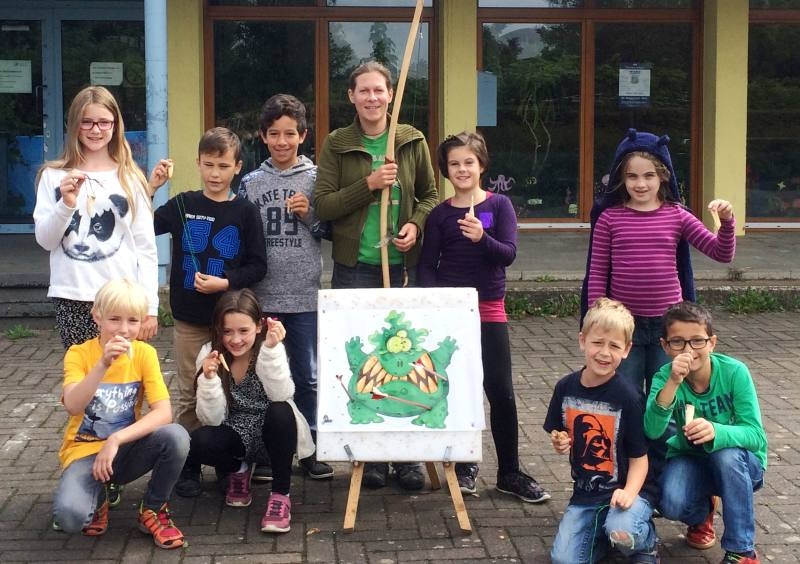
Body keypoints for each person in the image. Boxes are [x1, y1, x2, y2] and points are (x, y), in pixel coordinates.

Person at [313, 61, 439, 491]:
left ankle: (407, 456)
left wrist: (416, 225)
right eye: (363, 91)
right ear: (351, 96)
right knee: (365, 360)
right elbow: (324, 205)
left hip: (402, 268)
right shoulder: (337, 143)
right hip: (355, 268)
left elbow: (430, 195)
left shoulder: (411, 140)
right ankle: (370, 455)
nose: (372, 98)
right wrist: (367, 184)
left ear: (390, 95)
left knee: (406, 358)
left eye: (379, 90)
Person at [418, 131, 549, 503]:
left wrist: (481, 237)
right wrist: (434, 307)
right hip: (451, 315)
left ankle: (510, 471)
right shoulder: (440, 214)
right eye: (454, 164)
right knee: (459, 390)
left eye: (469, 162)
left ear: (482, 166)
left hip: (489, 309)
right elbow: (427, 265)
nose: (462, 169)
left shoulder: (500, 205)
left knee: (500, 390)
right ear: (445, 170)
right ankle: (465, 465)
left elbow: (508, 254)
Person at [582, 128, 736, 395]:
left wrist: (727, 222)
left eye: (649, 175)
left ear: (663, 176)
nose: (640, 184)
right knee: (625, 394)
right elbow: (597, 272)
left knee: (665, 394)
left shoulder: (678, 215)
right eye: (632, 176)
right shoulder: (609, 219)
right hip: (624, 327)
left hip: (670, 327)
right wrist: (597, 316)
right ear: (621, 177)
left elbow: (721, 253)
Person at [51, 278, 189, 549]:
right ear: (97, 316)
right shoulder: (78, 354)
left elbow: (163, 413)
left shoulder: (144, 354)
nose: (124, 330)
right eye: (114, 319)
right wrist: (103, 364)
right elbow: (73, 406)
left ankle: (153, 509)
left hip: (124, 450)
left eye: (132, 321)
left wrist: (115, 440)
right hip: (84, 453)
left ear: (142, 322)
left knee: (176, 436)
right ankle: (98, 499)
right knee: (70, 518)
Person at [238, 93, 333, 481]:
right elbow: (241, 235)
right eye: (274, 134)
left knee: (306, 376)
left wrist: (309, 215)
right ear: (263, 136)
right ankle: (267, 452)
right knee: (263, 376)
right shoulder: (250, 183)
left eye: (290, 134)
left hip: (304, 295)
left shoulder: (317, 179)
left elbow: (330, 230)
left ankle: (311, 449)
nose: (282, 141)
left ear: (303, 135)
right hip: (263, 297)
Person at [150, 127, 267, 434]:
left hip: (230, 322)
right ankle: (189, 457)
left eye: (224, 166)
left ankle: (226, 452)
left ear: (238, 167)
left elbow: (258, 266)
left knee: (228, 391)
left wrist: (225, 283)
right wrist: (151, 188)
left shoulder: (246, 212)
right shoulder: (183, 204)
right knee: (190, 392)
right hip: (189, 319)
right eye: (209, 165)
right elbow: (142, 227)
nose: (215, 174)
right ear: (198, 163)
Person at [173, 289, 315, 534]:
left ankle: (280, 495)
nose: (235, 339)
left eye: (243, 331)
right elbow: (212, 419)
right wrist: (208, 380)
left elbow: (281, 394)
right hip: (235, 430)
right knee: (199, 440)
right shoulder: (210, 353)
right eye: (227, 331)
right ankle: (238, 470)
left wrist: (271, 351)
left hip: (273, 432)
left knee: (281, 411)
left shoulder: (269, 347)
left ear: (259, 326)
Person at [33, 85, 159, 350]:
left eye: (104, 122)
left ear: (115, 125)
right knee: (81, 372)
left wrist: (150, 305)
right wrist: (65, 204)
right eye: (87, 122)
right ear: (74, 125)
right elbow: (45, 240)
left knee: (123, 373)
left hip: (122, 298)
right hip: (72, 293)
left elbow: (145, 247)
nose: (96, 130)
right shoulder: (53, 176)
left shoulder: (131, 178)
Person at [644, 301, 766, 564]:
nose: (689, 350)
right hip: (692, 458)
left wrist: (716, 431)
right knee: (670, 502)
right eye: (678, 342)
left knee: (726, 456)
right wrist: (673, 382)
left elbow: (756, 436)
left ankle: (742, 551)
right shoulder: (664, 377)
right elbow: (652, 431)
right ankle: (703, 511)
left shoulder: (735, 372)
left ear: (712, 343)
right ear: (665, 346)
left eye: (697, 341)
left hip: (741, 464)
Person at [544, 298, 659, 564]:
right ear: (582, 341)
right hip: (587, 493)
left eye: (614, 346)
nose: (604, 353)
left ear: (626, 350)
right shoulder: (565, 388)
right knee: (563, 560)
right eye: (597, 343)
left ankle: (646, 541)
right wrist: (560, 443)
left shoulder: (629, 397)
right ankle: (604, 539)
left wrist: (629, 492)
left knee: (623, 531)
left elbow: (640, 459)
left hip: (628, 491)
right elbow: (561, 434)